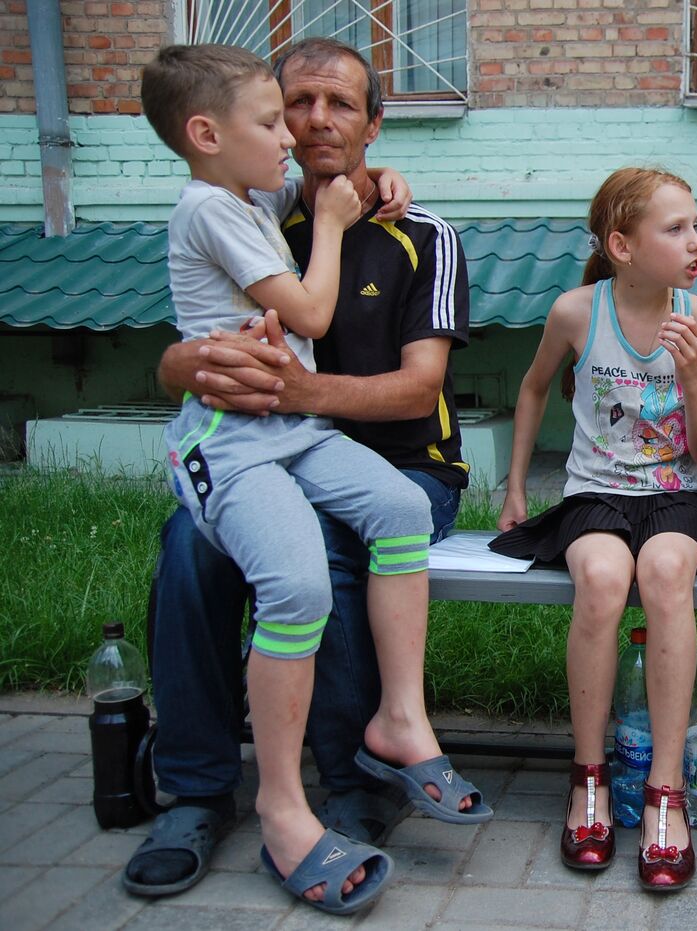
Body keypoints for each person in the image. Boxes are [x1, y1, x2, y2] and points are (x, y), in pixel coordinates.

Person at [124, 38, 482, 909]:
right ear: (263, 120)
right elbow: (186, 341)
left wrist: (297, 387)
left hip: (407, 463)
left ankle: (352, 779)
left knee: (316, 552)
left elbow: (421, 387)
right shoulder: (254, 207)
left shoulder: (420, 234)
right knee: (189, 547)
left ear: (374, 124)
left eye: (342, 105)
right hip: (263, 448)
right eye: (296, 105)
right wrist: (183, 366)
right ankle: (198, 788)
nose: (315, 121)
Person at [491, 167, 697, 891]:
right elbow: (533, 387)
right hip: (596, 492)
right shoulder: (576, 311)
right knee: (600, 577)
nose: (695, 242)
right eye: (676, 228)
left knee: (663, 572)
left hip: (676, 497)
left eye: (696, 225)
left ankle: (666, 792)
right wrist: (512, 488)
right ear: (621, 246)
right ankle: (588, 777)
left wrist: (692, 380)